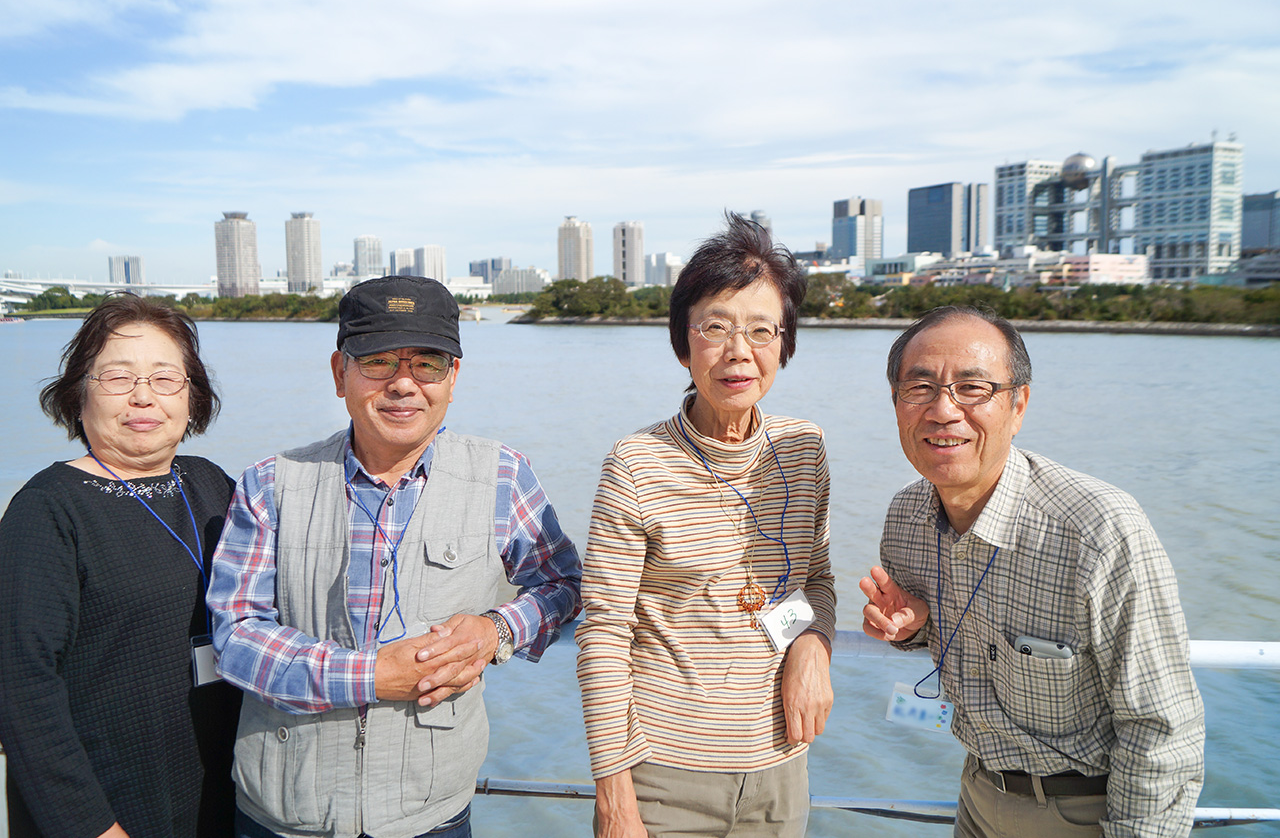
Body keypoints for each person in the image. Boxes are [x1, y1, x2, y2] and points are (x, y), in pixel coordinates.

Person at [208, 275, 581, 838]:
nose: (404, 384)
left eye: (427, 364)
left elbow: (564, 585)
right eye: (378, 361)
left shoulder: (503, 475)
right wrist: (373, 676)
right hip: (283, 811)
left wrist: (496, 630)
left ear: (453, 378)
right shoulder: (270, 484)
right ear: (340, 373)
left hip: (431, 812)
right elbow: (235, 637)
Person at [859, 305, 1204, 838]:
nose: (943, 410)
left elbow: (1161, 726)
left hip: (1084, 810)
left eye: (973, 388)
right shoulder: (907, 517)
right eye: (920, 388)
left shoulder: (1097, 529)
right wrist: (914, 627)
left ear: (1018, 404)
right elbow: (954, 634)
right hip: (976, 794)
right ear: (895, 402)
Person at [576, 213, 836, 838]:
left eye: (761, 330)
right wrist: (615, 800)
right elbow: (604, 633)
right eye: (716, 327)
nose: (739, 351)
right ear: (683, 343)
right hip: (662, 778)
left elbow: (816, 581)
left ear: (784, 344)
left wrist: (812, 644)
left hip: (781, 771)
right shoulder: (637, 463)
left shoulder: (804, 449)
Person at [0, 293, 242, 838]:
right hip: (110, 807)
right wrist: (93, 827)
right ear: (78, 393)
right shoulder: (48, 509)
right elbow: (21, 689)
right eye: (117, 377)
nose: (143, 396)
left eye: (165, 378)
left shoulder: (210, 483)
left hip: (221, 795)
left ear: (192, 396)